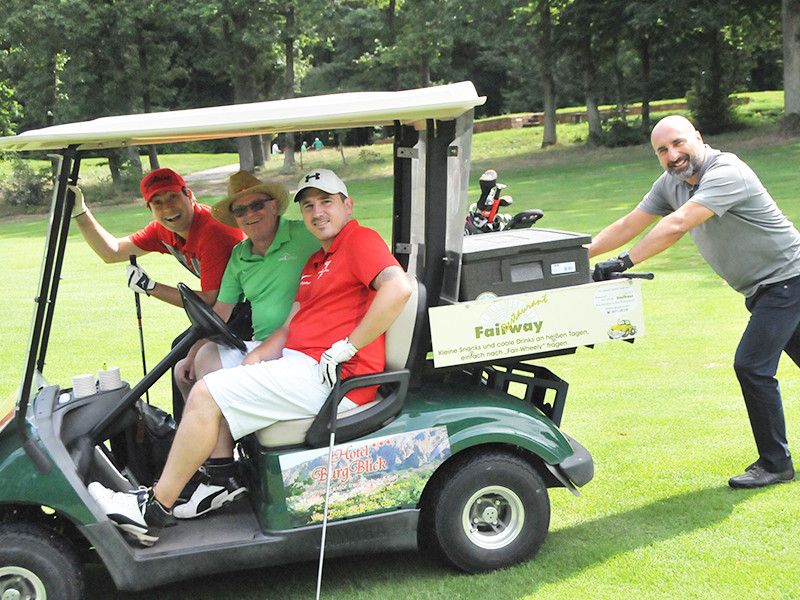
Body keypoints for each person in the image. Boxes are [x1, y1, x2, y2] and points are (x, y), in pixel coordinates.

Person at [90, 168, 413, 546]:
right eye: (309, 205)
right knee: (210, 369)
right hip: (301, 362)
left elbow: (398, 288)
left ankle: (151, 512)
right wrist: (256, 356)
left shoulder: (359, 239)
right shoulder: (317, 261)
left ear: (347, 205)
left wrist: (347, 347)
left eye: (326, 202)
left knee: (207, 393)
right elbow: (290, 326)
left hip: (336, 376)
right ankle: (219, 477)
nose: (317, 212)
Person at [588, 114, 798, 489]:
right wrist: (576, 256)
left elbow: (678, 224)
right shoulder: (671, 184)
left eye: (679, 143)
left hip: (788, 281)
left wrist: (623, 262)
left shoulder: (727, 171)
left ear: (698, 138)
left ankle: (776, 463)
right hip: (764, 289)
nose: (673, 155)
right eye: (663, 150)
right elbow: (628, 224)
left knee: (751, 366)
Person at [170, 169, 319, 516]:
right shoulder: (240, 255)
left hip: (301, 350)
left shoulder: (303, 235)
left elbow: (342, 251)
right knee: (192, 365)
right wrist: (192, 350)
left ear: (274, 206)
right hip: (266, 345)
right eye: (241, 210)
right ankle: (221, 472)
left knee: (209, 381)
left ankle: (215, 474)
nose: (251, 214)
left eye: (257, 205)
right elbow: (220, 310)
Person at [71, 168, 245, 308]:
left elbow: (210, 300)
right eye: (157, 203)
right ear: (150, 210)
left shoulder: (214, 232)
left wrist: (150, 286)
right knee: (181, 348)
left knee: (188, 350)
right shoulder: (162, 229)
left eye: (173, 197)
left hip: (253, 306)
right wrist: (80, 212)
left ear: (189, 195)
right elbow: (112, 253)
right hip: (229, 308)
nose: (168, 208)